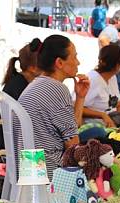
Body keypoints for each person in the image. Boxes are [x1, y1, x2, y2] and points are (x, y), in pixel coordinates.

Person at [15, 34, 90, 180]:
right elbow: (73, 145)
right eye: (74, 57)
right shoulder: (57, 89)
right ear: (59, 63)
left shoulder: (36, 85)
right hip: (48, 172)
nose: (78, 62)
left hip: (29, 168)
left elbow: (72, 129)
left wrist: (80, 97)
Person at [82, 44, 120, 127]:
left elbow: (118, 104)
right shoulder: (93, 80)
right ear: (117, 65)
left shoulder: (112, 78)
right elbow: (78, 108)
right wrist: (102, 115)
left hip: (114, 126)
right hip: (96, 128)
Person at [98, 9, 120, 90]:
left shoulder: (111, 30)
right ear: (119, 21)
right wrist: (112, 59)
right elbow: (103, 39)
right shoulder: (111, 30)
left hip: (115, 69)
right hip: (113, 69)